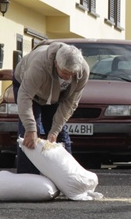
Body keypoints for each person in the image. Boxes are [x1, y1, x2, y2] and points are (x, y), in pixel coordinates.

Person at [12, 42, 89, 174]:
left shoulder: (82, 72)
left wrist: (54, 130)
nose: (68, 77)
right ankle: (29, 179)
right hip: (28, 90)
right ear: (56, 64)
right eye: (65, 73)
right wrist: (31, 128)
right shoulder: (39, 67)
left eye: (72, 74)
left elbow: (70, 103)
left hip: (56, 96)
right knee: (30, 136)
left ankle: (68, 176)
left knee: (59, 137)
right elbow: (24, 96)